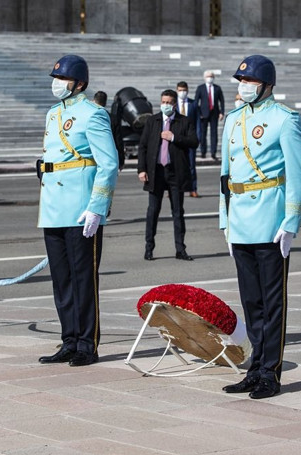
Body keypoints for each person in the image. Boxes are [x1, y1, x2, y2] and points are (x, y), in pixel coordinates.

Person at [219, 55, 301, 400]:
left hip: (271, 220)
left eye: (250, 82)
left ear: (267, 85)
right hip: (240, 217)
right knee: (251, 301)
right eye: (241, 81)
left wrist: (291, 221)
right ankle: (255, 367)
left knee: (272, 303)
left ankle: (270, 371)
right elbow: (226, 175)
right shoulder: (234, 119)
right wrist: (225, 220)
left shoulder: (285, 119)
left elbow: (296, 174)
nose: (244, 87)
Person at [37, 55, 119, 367]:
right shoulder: (53, 113)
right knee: (61, 280)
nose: (57, 83)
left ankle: (87, 344)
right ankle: (69, 340)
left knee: (83, 279)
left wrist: (97, 207)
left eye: (63, 79)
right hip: (54, 207)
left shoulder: (92, 114)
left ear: (80, 83)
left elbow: (108, 163)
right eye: (55, 77)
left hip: (81, 208)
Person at [137, 89, 198, 261]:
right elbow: (143, 147)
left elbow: (194, 142)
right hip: (156, 172)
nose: (166, 105)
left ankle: (180, 249)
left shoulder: (183, 121)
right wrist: (141, 169)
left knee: (178, 212)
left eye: (169, 102)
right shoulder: (152, 121)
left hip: (175, 172)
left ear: (175, 104)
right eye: (163, 101)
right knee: (152, 211)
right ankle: (149, 248)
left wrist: (174, 138)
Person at [193, 69, 224, 161]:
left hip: (214, 113)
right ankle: (203, 152)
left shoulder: (217, 88)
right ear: (204, 78)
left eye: (211, 76)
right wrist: (198, 113)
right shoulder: (200, 88)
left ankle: (213, 153)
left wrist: (222, 112)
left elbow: (221, 101)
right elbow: (196, 101)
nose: (209, 78)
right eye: (208, 76)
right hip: (203, 114)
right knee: (203, 134)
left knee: (214, 133)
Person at [176, 81, 201, 197]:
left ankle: (193, 188)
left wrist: (198, 137)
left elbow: (198, 122)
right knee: (175, 164)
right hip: (176, 139)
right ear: (177, 90)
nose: (182, 92)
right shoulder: (173, 104)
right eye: (180, 90)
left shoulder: (193, 104)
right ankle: (174, 188)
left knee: (191, 164)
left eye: (184, 90)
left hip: (190, 138)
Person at [94, 90, 124, 171]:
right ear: (105, 103)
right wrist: (121, 160)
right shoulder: (113, 119)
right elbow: (118, 141)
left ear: (94, 101)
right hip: (108, 157)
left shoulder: (88, 117)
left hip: (92, 157)